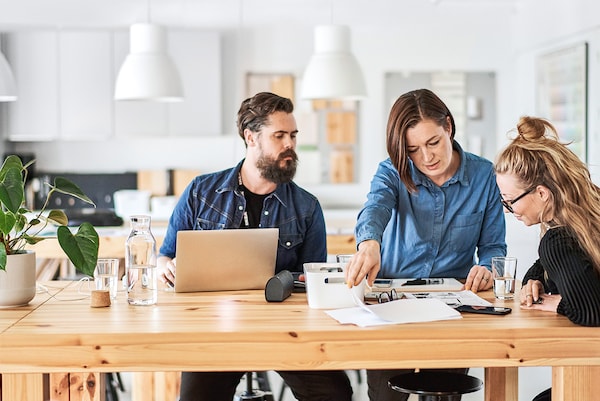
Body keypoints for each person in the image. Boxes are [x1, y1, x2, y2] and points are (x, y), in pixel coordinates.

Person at [157, 92, 353, 401]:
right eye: (279, 136)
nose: (290, 144)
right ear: (251, 137)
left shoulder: (307, 207)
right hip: (214, 332)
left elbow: (313, 281)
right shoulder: (201, 192)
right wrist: (165, 266)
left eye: (293, 135)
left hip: (284, 333)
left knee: (336, 393)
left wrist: (298, 282)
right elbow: (165, 255)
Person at [344, 88, 507, 401]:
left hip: (453, 307)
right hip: (390, 302)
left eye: (433, 142)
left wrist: (487, 268)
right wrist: (368, 244)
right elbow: (375, 207)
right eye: (413, 149)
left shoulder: (485, 175)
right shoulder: (392, 170)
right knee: (384, 396)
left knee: (443, 395)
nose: (426, 157)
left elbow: (493, 246)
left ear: (448, 126)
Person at [494, 116, 600, 401]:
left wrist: (557, 303)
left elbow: (591, 312)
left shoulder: (558, 239)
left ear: (541, 192)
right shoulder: (586, 218)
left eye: (510, 200)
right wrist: (533, 281)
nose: (508, 209)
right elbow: (542, 266)